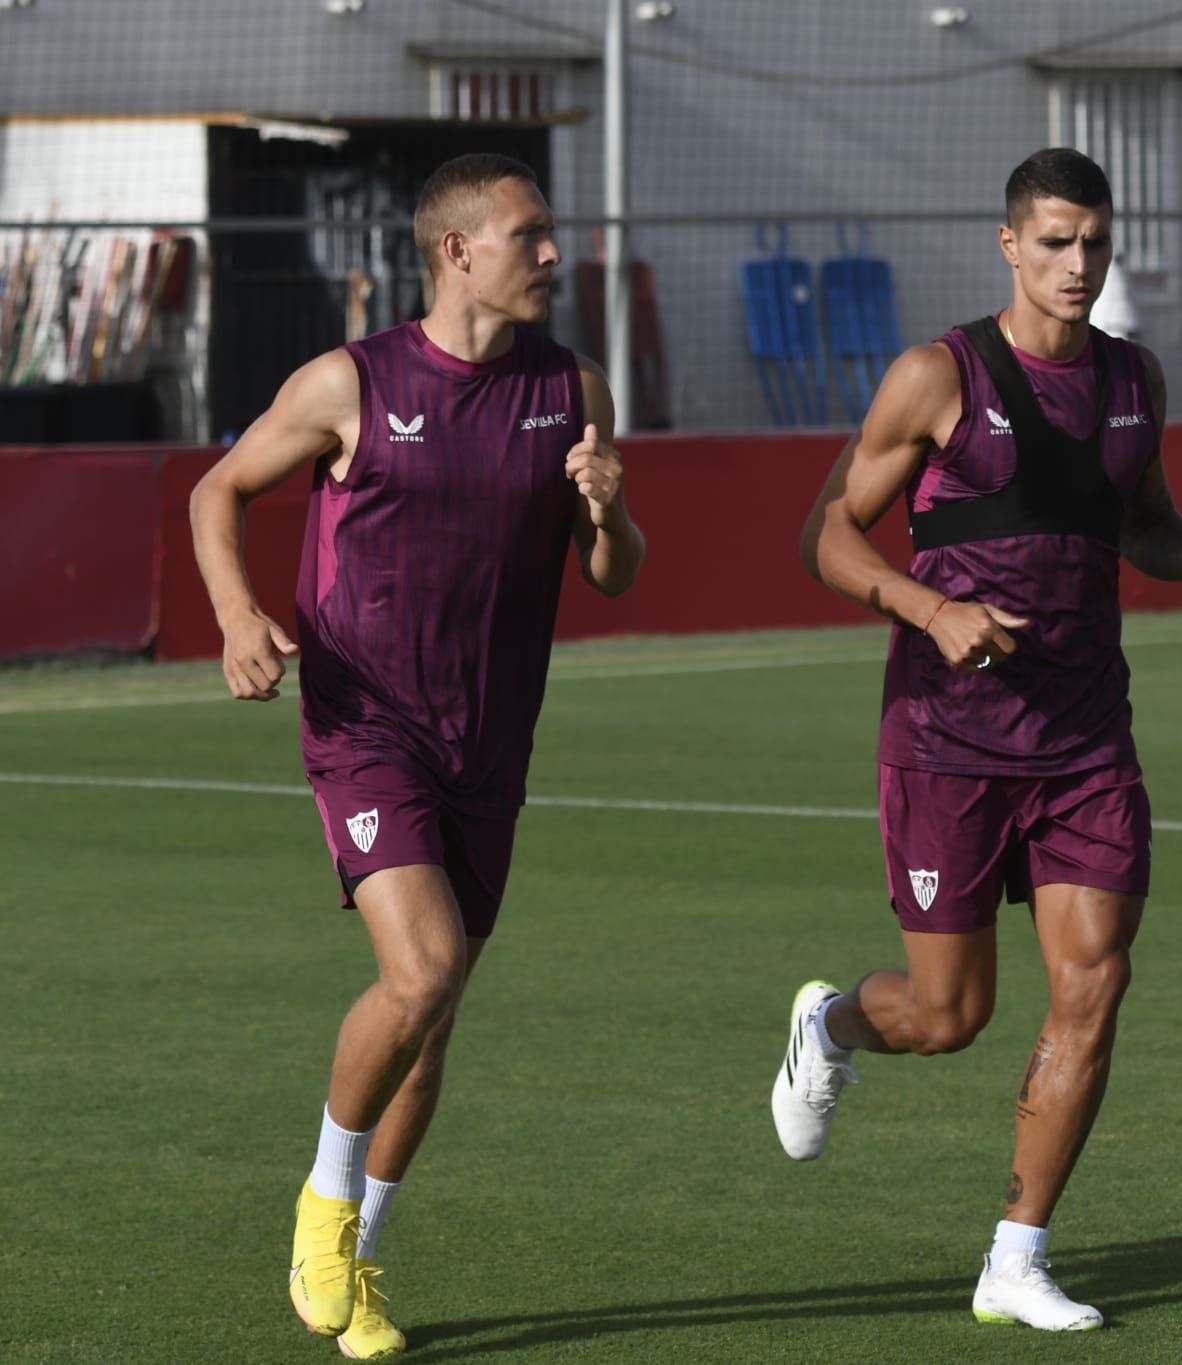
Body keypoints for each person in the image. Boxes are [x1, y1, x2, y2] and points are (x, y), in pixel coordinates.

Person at [776, 147, 1182, 1331]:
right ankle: (828, 1024)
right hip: (946, 741)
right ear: (1009, 244)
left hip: (1086, 739)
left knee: (1093, 985)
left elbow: (1137, 523)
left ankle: (1015, 1256)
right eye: (1053, 242)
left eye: (1093, 242)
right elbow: (825, 537)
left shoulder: (1135, 379)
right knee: (947, 1018)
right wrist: (931, 610)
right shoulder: (938, 377)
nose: (1077, 264)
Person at [189, 153, 644, 1358]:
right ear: (458, 251)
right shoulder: (352, 382)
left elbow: (615, 574)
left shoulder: (574, 387)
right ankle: (323, 1209)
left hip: (492, 739)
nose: (553, 254)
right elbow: (216, 493)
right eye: (531, 235)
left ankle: (359, 1260)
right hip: (364, 722)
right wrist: (238, 618)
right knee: (425, 968)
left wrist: (609, 508)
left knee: (432, 1030)